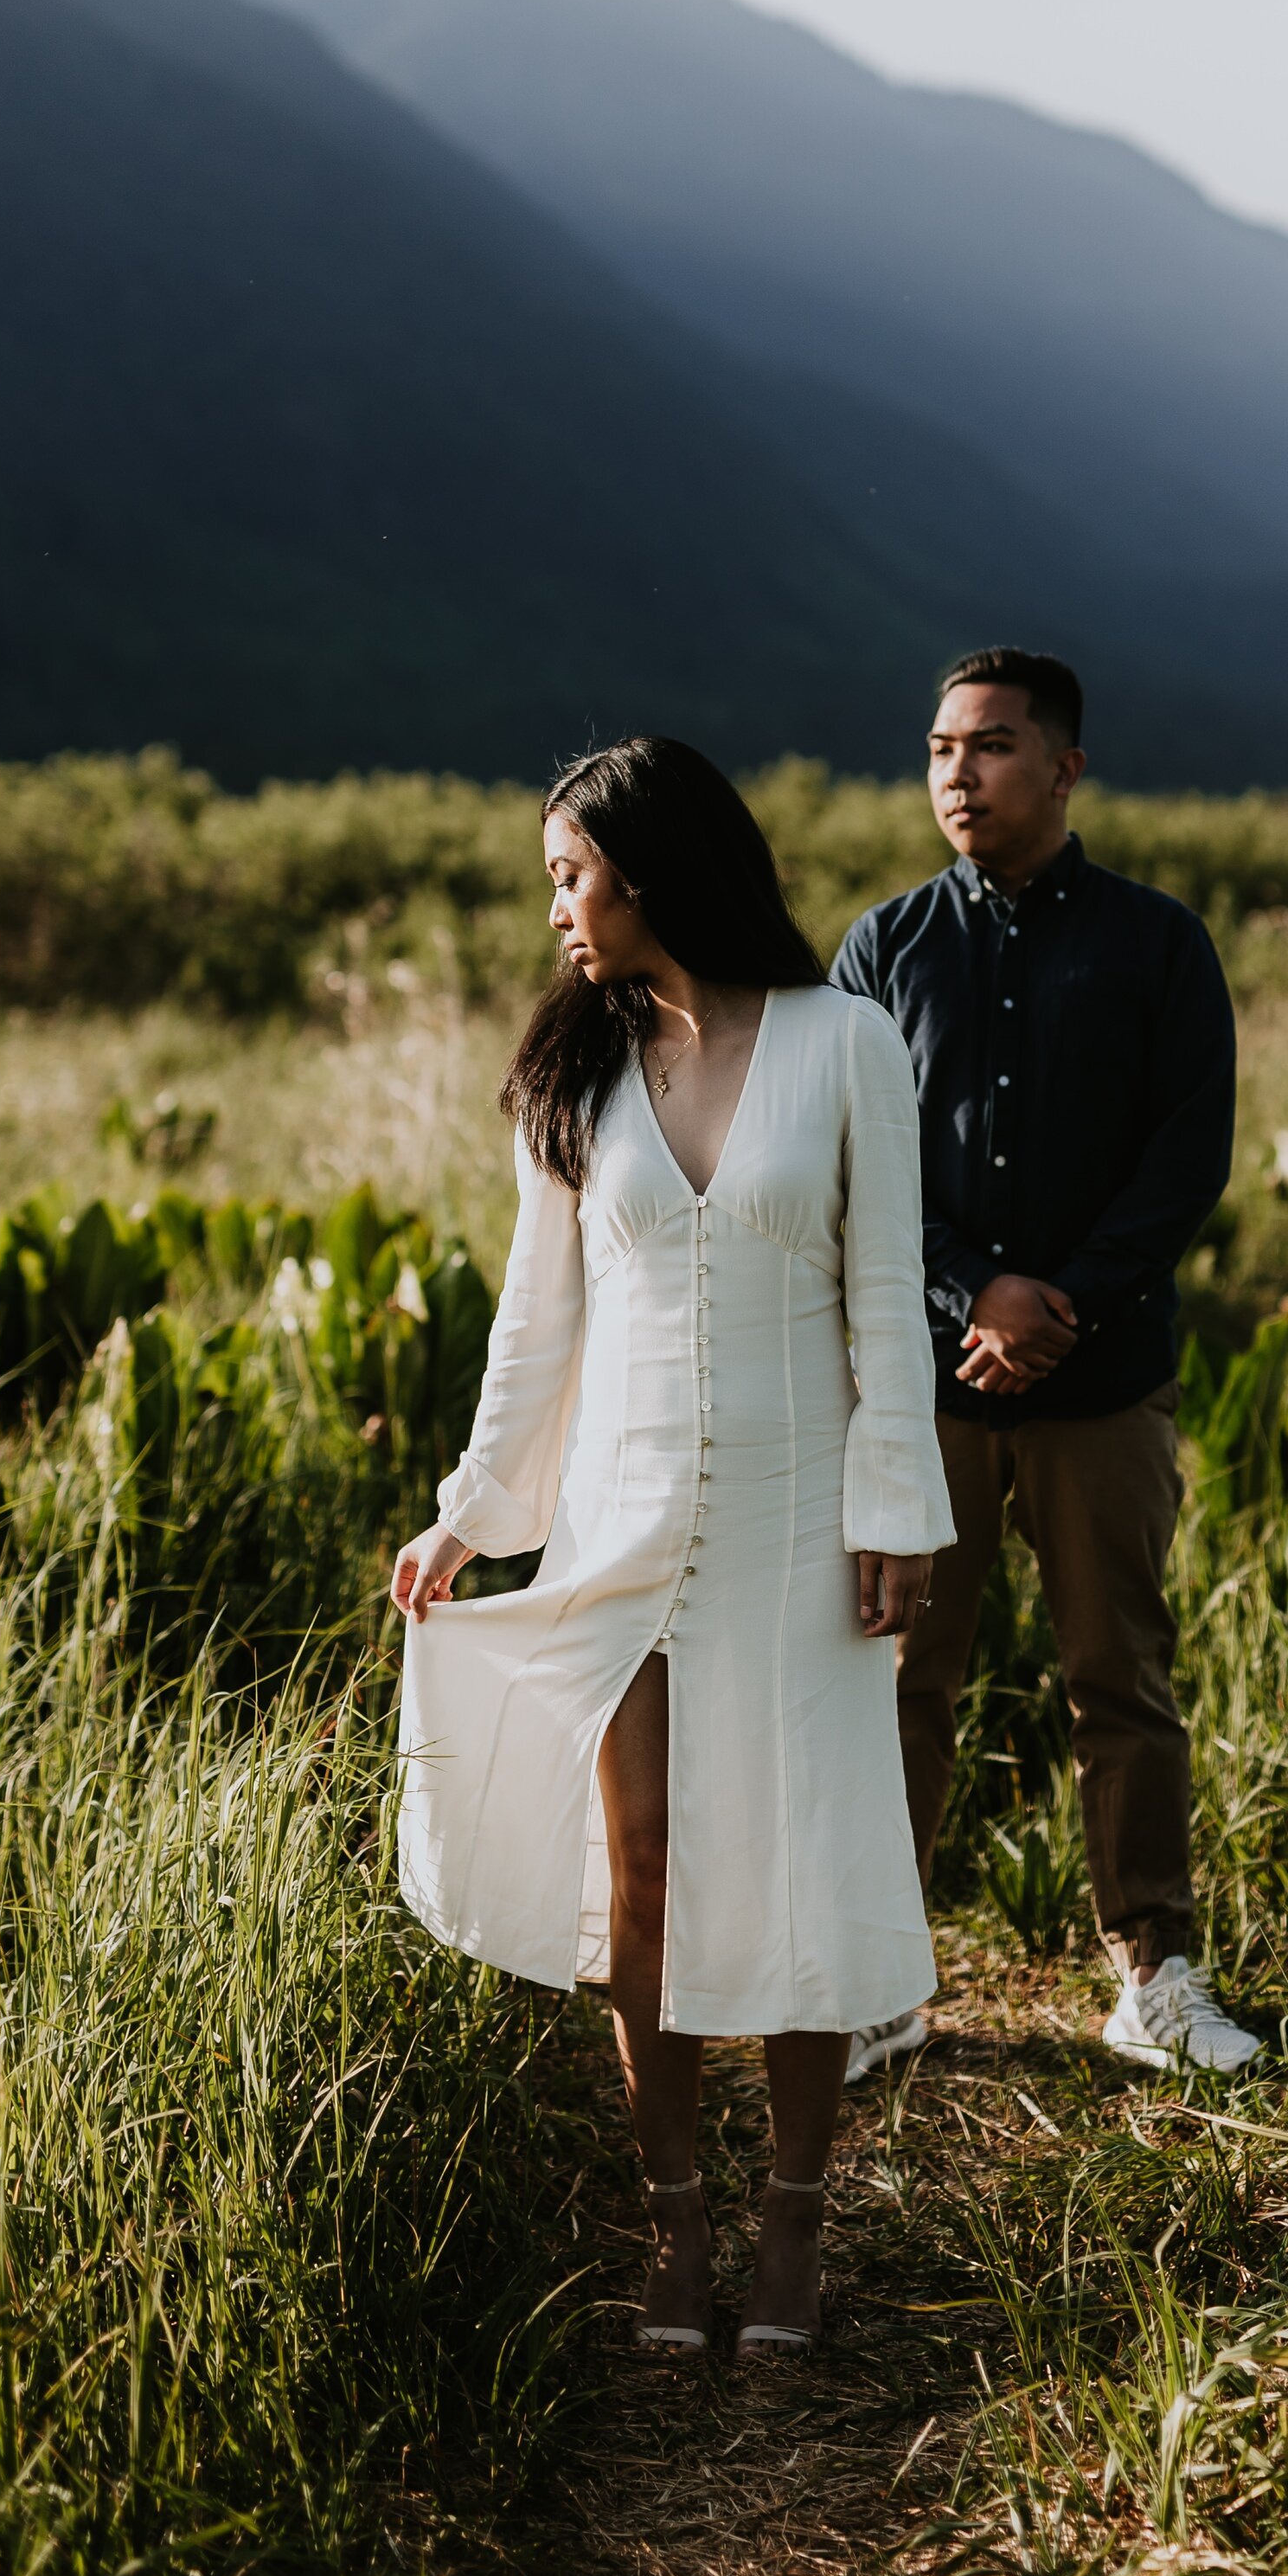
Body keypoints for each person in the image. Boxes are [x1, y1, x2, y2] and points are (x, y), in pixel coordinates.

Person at [389, 736, 952, 2359]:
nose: (557, 908)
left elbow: (885, 1297)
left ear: (651, 869)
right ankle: (675, 2223)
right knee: (638, 1874)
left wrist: (895, 1511)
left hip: (800, 1521)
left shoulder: (847, 1041)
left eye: (570, 873)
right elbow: (538, 1323)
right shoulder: (570, 1072)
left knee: (795, 1857)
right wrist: (473, 1513)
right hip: (620, 1521)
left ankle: (791, 2225)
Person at [831, 649, 1261, 2078]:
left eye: (995, 746)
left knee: (1120, 1675)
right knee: (900, 1676)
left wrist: (1058, 1298)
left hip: (1104, 1382)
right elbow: (852, 1160)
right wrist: (974, 1289)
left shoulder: (1157, 944)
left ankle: (1152, 1970)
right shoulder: (881, 950)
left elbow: (1185, 1154)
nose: (959, 772)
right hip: (921, 1388)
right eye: (942, 746)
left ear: (1066, 768)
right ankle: (877, 1977)